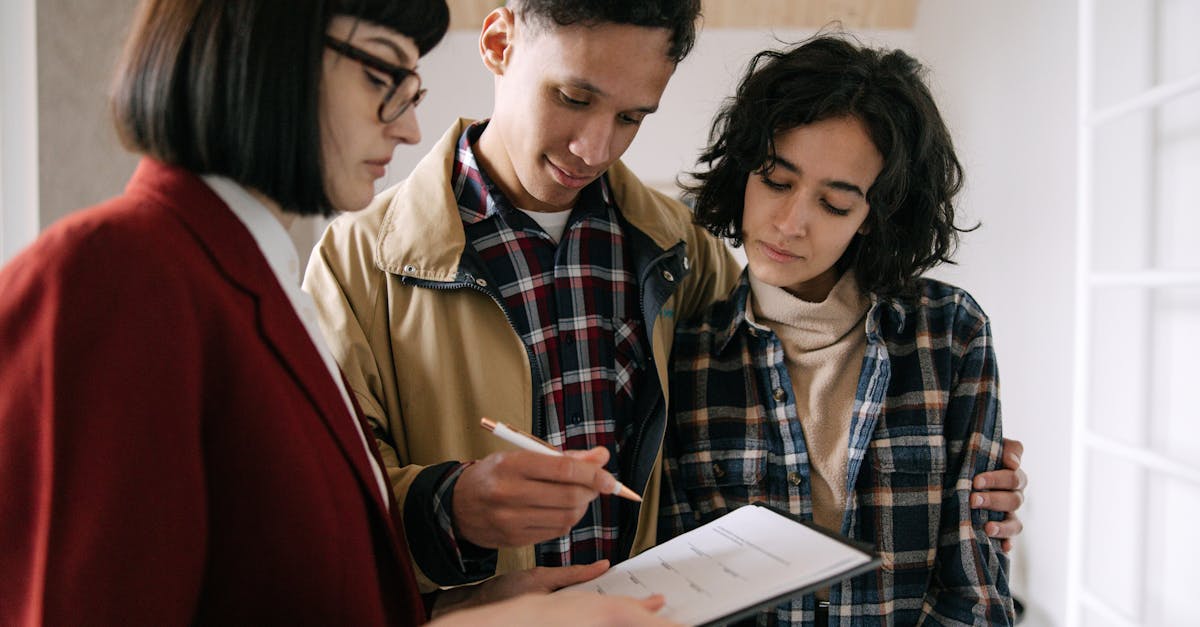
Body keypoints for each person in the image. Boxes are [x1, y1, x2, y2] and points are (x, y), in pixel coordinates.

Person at [303, 0, 1028, 593]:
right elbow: (315, 512)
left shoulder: (679, 250)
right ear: (498, 42)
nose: (594, 146)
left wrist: (967, 472)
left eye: (631, 117)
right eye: (574, 97)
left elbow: (780, 380)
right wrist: (450, 507)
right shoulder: (357, 263)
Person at [0, 0, 678, 625]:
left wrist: (462, 607)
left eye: (412, 87)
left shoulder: (257, 284)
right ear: (264, 44)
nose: (410, 125)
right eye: (382, 72)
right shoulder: (111, 272)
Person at [658, 34, 1016, 625]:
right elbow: (681, 589)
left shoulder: (950, 333)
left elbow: (973, 579)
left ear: (875, 218)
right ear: (744, 170)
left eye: (835, 204)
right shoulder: (691, 357)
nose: (791, 224)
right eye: (776, 181)